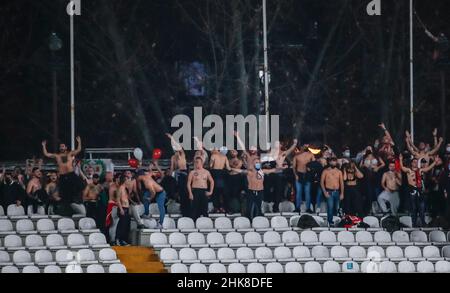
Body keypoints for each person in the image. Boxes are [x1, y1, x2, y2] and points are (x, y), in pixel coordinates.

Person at [42, 137, 84, 213]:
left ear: (66, 147)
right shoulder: (57, 156)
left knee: (80, 184)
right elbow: (47, 154)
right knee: (64, 193)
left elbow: (78, 150)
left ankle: (76, 200)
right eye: (60, 146)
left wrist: (79, 142)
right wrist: (44, 146)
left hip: (71, 174)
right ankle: (66, 207)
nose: (61, 147)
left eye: (63, 146)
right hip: (63, 176)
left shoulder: (70, 153)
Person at [399, 153, 440, 227]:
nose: (415, 163)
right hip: (412, 190)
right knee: (413, 208)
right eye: (413, 162)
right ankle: (414, 224)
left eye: (416, 162)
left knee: (421, 208)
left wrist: (434, 162)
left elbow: (428, 168)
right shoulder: (409, 170)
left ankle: (423, 223)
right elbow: (402, 167)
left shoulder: (420, 170)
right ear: (411, 163)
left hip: (420, 190)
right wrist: (400, 160)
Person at [166, 133, 190, 217]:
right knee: (173, 186)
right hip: (177, 175)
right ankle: (172, 198)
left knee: (184, 192)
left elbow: (179, 147)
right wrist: (169, 177)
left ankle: (185, 209)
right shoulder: (173, 157)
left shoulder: (182, 155)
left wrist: (171, 138)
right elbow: (172, 168)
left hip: (183, 174)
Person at [320, 157, 344, 226]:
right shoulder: (325, 171)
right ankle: (330, 222)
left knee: (337, 208)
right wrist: (324, 192)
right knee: (330, 208)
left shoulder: (339, 171)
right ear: (329, 162)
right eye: (332, 161)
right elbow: (321, 182)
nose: (333, 163)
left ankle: (336, 221)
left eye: (335, 161)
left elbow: (341, 183)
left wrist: (342, 193)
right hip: (329, 192)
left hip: (337, 191)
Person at [293, 146, 315, 212]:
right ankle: (297, 208)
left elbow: (314, 164)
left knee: (307, 192)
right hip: (299, 174)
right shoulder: (297, 156)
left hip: (307, 175)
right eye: (304, 145)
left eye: (307, 145)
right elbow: (294, 167)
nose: (306, 146)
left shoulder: (311, 154)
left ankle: (308, 208)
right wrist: (296, 175)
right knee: (298, 192)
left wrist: (311, 170)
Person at [209, 147, 231, 213]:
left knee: (216, 192)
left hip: (215, 173)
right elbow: (228, 168)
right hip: (222, 173)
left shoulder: (213, 155)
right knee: (223, 192)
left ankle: (217, 208)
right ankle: (224, 207)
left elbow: (210, 165)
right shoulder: (225, 157)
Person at [115, 175, 131, 246]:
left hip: (127, 208)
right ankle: (118, 239)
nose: (128, 181)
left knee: (126, 225)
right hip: (122, 208)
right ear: (124, 180)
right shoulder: (120, 188)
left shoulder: (125, 188)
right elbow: (118, 199)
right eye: (127, 179)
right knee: (121, 225)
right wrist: (121, 209)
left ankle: (123, 240)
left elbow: (127, 199)